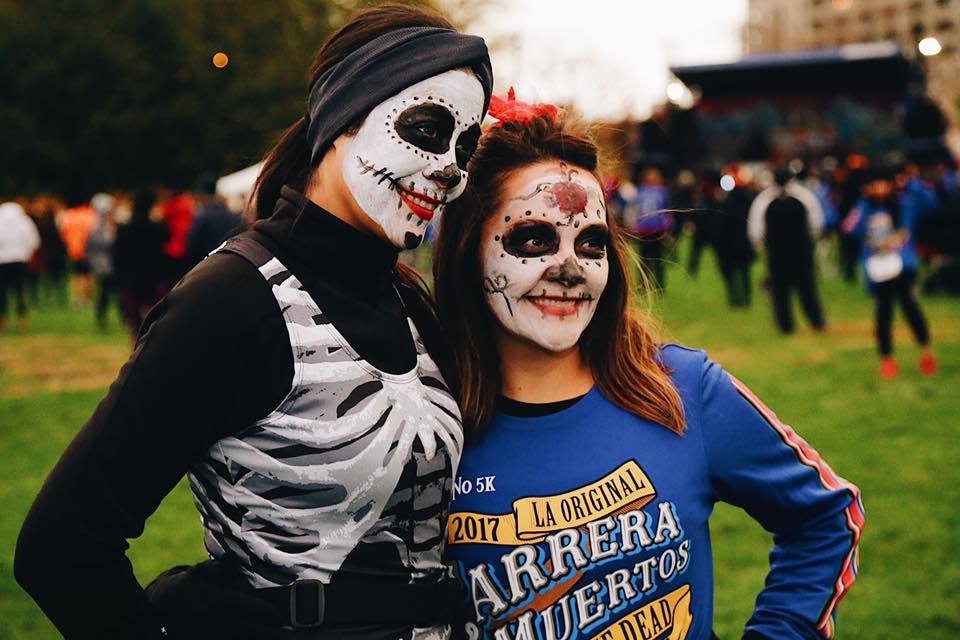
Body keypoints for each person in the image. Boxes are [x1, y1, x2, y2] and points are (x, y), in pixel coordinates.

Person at [14, 4, 493, 639]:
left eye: (466, 145)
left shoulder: (407, 300)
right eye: (428, 130)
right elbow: (62, 546)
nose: (451, 169)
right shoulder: (233, 300)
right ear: (341, 119)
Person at [433, 104, 863, 639]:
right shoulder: (421, 431)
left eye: (590, 242)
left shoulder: (682, 389)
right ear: (467, 248)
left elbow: (825, 518)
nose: (569, 269)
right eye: (534, 239)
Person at [842, 167, 937, 378]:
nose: (880, 188)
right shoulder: (865, 207)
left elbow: (930, 202)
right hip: (878, 270)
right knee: (883, 315)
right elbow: (849, 228)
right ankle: (886, 359)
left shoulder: (905, 204)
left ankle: (926, 353)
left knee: (911, 310)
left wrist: (910, 181)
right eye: (875, 184)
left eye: (884, 183)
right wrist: (864, 202)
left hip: (903, 267)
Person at [748, 168, 826, 333]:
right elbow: (816, 222)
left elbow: (755, 229)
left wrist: (760, 245)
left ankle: (809, 321)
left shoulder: (767, 199)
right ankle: (792, 324)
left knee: (803, 289)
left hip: (790, 251)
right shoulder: (801, 196)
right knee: (788, 290)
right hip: (789, 251)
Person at [112, 190, 169, 338]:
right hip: (153, 278)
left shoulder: (124, 229)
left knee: (134, 321)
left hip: (131, 279)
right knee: (154, 319)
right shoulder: (157, 228)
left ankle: (136, 349)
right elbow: (166, 238)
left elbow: (116, 256)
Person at [183, 173, 239, 269]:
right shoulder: (231, 215)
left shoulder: (202, 216)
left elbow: (191, 246)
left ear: (201, 193)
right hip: (228, 266)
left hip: (205, 267)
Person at [0, 201, 41, 331]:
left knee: (2, 292)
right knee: (21, 291)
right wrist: (28, 253)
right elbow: (34, 241)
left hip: (3, 261)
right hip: (20, 260)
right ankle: (22, 320)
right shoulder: (24, 221)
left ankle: (3, 320)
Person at [85, 192, 118, 329]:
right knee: (103, 295)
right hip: (103, 266)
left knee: (117, 294)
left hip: (114, 265)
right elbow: (92, 248)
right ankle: (101, 320)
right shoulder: (96, 228)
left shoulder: (114, 225)